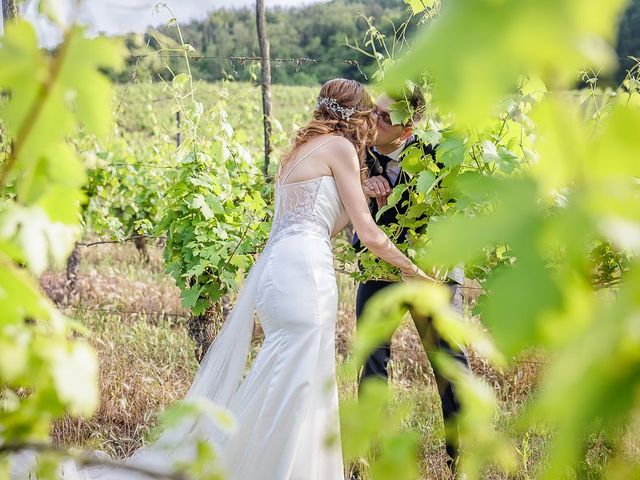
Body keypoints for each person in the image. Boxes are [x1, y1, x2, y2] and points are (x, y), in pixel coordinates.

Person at [9, 78, 435, 480]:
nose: (371, 125)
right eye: (369, 116)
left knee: (284, 374)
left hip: (282, 270)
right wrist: (413, 272)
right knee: (300, 378)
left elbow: (327, 221)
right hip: (306, 271)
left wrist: (364, 187)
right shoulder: (342, 148)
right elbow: (369, 234)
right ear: (354, 116)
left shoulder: (302, 150)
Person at [353, 88, 470, 473]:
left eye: (385, 117)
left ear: (409, 127)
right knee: (370, 361)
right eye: (373, 111)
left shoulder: (436, 154)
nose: (374, 119)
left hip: (431, 273)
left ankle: (462, 462)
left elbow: (457, 214)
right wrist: (365, 194)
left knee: (449, 365)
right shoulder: (356, 153)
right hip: (380, 268)